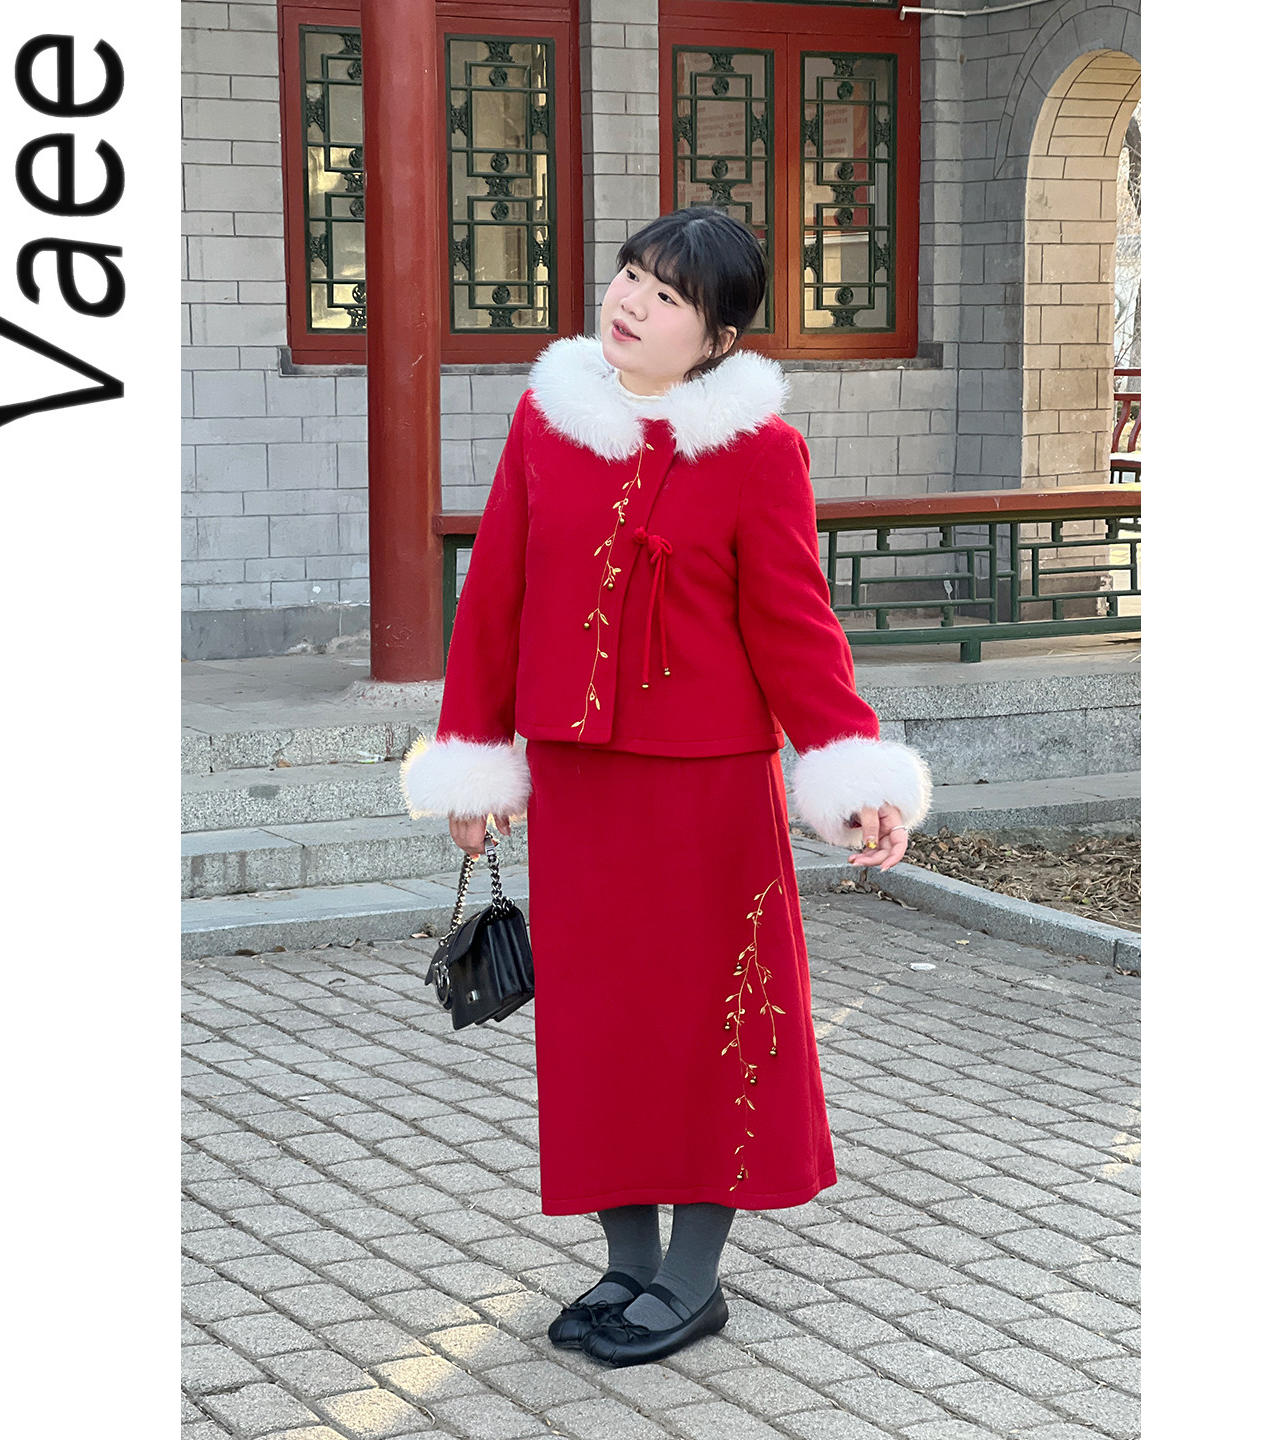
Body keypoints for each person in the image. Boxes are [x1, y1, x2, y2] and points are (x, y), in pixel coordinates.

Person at [399, 206, 931, 1368]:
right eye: (631, 275)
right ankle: (627, 1263)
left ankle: (692, 1279)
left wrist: (849, 768)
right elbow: (494, 598)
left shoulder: (758, 452)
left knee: (711, 1029)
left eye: (669, 294)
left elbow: (794, 624)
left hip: (708, 796)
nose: (632, 301)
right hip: (579, 789)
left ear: (719, 337)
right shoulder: (547, 421)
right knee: (599, 1029)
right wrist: (475, 760)